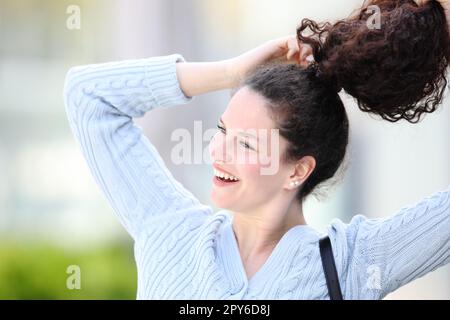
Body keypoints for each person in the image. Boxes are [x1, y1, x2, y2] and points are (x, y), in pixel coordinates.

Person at [63, 0, 449, 299]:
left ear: (298, 170)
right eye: (222, 130)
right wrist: (230, 72)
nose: (218, 152)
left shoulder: (353, 263)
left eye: (246, 143)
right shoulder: (170, 230)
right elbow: (88, 97)